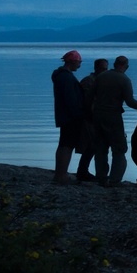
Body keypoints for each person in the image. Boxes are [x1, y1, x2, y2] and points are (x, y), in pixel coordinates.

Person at [88, 55, 137, 187]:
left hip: (98, 116)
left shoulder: (101, 77)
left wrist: (91, 113)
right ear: (126, 66)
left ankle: (101, 177)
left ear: (114, 64)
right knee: (119, 149)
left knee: (101, 149)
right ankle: (115, 179)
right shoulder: (124, 80)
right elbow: (130, 102)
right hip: (113, 117)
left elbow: (90, 96)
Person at [51, 50, 84, 184]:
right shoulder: (67, 78)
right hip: (70, 116)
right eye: (78, 62)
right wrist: (78, 114)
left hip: (63, 115)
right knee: (67, 145)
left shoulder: (60, 76)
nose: (79, 65)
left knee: (63, 144)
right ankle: (62, 175)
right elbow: (70, 99)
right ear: (72, 62)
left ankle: (59, 174)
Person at [75, 57, 109, 182]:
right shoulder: (89, 81)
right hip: (88, 118)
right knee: (91, 144)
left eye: (106, 69)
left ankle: (84, 170)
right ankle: (82, 171)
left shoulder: (101, 81)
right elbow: (86, 101)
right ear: (96, 68)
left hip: (96, 117)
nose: (105, 71)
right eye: (103, 68)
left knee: (94, 145)